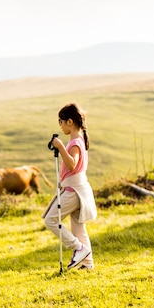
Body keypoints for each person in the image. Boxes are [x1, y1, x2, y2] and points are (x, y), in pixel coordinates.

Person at [43, 103, 97, 270]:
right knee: (79, 228)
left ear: (70, 122)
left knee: (50, 220)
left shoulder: (75, 143)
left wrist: (60, 147)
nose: (60, 125)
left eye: (61, 121)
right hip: (77, 189)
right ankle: (87, 264)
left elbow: (72, 164)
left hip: (74, 192)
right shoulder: (79, 140)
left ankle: (78, 248)